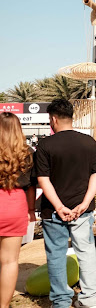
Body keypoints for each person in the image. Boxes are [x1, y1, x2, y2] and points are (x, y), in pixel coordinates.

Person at [35, 99, 96, 308]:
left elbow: (43, 179)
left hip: (53, 211)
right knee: (86, 253)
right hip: (82, 210)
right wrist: (85, 202)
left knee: (56, 255)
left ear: (53, 119)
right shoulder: (89, 142)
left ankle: (61, 302)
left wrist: (59, 206)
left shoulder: (45, 145)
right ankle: (89, 300)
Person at [0, 113, 36, 308]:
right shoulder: (27, 152)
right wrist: (31, 210)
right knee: (10, 261)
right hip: (15, 204)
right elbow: (31, 186)